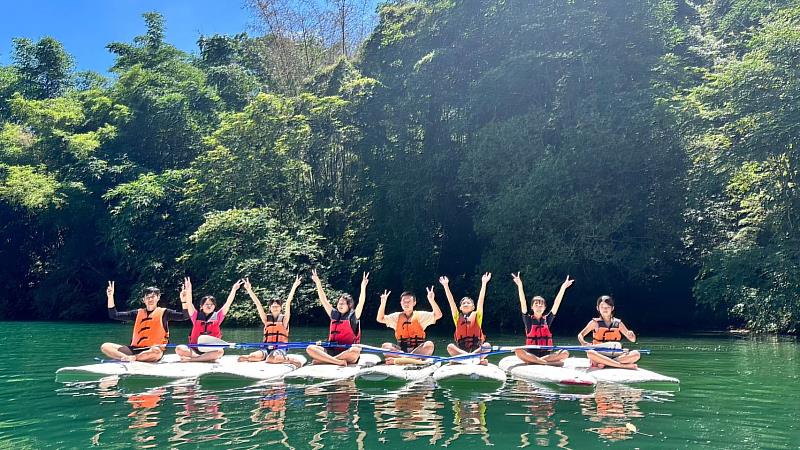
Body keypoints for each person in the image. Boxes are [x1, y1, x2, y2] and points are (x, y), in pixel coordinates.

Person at [101, 281, 189, 362]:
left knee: (156, 352)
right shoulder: (137, 313)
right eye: (148, 297)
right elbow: (114, 315)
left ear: (158, 298)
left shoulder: (165, 313)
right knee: (105, 346)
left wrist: (184, 301)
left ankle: (133, 358)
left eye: (153, 297)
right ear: (144, 300)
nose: (150, 300)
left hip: (152, 350)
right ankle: (126, 357)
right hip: (134, 349)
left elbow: (184, 316)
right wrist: (110, 296)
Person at [238, 275, 304, 368]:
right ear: (270, 308)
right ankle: (264, 357)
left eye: (277, 306)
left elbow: (288, 301)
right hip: (266, 348)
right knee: (250, 357)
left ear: (281, 308)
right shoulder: (266, 319)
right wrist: (249, 290)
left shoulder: (284, 320)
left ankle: (289, 360)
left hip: (280, 348)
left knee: (271, 359)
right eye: (273, 306)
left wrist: (294, 286)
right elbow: (258, 304)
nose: (275, 308)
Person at [305, 270, 368, 366]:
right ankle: (337, 362)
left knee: (355, 351)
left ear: (349, 305)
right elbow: (323, 300)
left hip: (348, 351)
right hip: (332, 350)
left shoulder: (354, 317)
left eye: (342, 303)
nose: (340, 305)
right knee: (310, 348)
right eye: (339, 303)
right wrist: (318, 283)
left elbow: (361, 303)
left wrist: (363, 287)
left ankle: (325, 360)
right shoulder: (334, 314)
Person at [511, 273, 574, 366]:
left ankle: (536, 361)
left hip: (546, 355)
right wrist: (520, 285)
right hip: (531, 354)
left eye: (541, 305)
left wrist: (563, 287)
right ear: (532, 307)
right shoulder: (528, 320)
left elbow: (557, 303)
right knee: (518, 351)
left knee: (565, 353)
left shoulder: (547, 320)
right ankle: (546, 363)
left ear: (544, 308)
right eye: (536, 305)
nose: (539, 307)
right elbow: (523, 302)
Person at [175, 277, 242, 362]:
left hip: (211, 350)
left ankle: (193, 360)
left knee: (220, 351)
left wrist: (234, 290)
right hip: (195, 349)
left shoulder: (218, 316)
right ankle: (202, 358)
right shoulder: (195, 316)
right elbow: (189, 302)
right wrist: (189, 289)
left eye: (211, 304)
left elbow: (228, 303)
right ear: (201, 306)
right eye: (206, 304)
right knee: (179, 348)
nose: (209, 306)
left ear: (214, 306)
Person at [376, 286, 443, 364]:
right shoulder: (396, 317)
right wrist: (383, 303)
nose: (406, 304)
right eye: (404, 301)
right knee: (385, 346)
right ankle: (411, 359)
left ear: (414, 303)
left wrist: (431, 300)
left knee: (429, 345)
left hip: (418, 350)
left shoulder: (421, 315)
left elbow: (438, 315)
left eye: (409, 301)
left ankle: (403, 359)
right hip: (401, 351)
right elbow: (380, 319)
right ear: (401, 303)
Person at [577, 295, 640, 369]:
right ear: (598, 308)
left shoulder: (618, 323)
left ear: (612, 308)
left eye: (608, 307)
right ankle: (620, 365)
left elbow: (633, 340)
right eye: (602, 307)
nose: (605, 309)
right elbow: (580, 335)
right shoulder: (594, 323)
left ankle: (607, 363)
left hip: (615, 354)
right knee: (590, 353)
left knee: (636, 354)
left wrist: (631, 335)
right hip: (599, 353)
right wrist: (584, 343)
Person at [439, 273, 492, 361]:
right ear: (460, 308)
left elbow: (481, 301)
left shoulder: (478, 316)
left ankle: (469, 357)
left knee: (487, 346)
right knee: (450, 346)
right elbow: (451, 302)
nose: (466, 304)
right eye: (463, 303)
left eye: (468, 303)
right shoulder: (457, 317)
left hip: (476, 351)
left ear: (473, 307)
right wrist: (445, 286)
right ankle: (471, 357)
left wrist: (484, 283)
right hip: (461, 352)